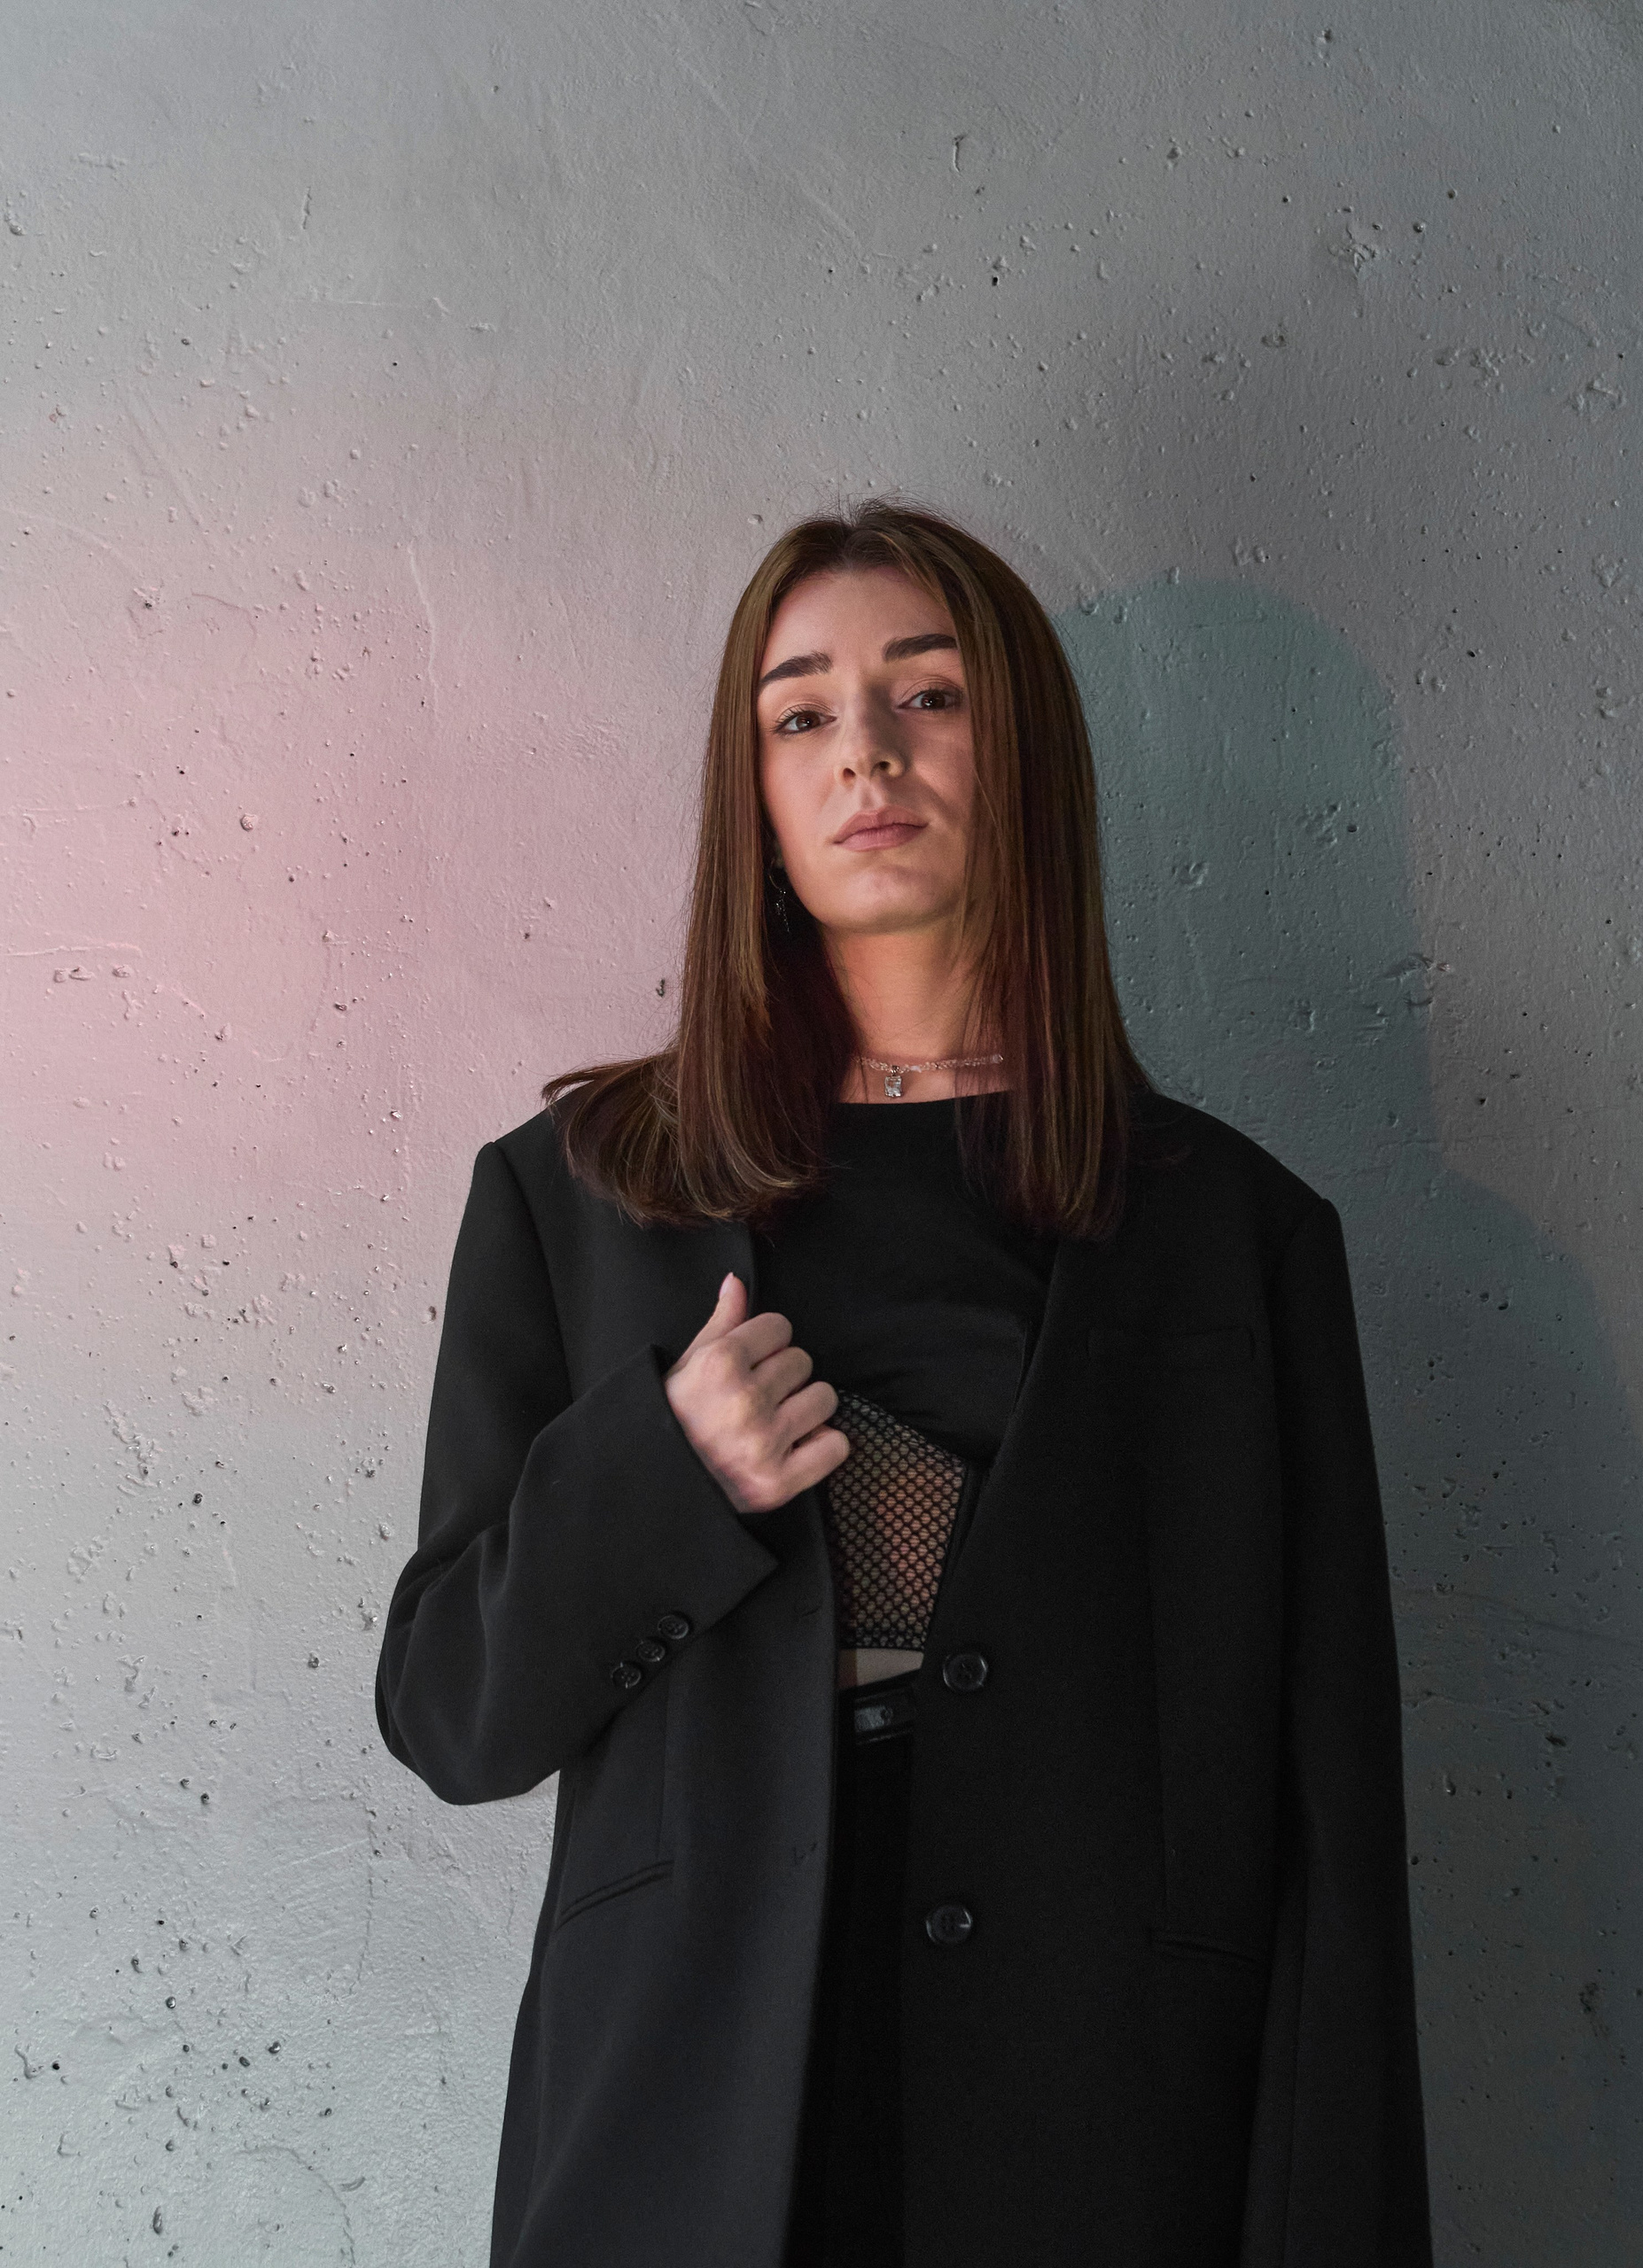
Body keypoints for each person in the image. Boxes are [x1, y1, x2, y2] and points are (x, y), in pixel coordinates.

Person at [373, 499, 1433, 2267]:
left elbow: (1333, 1813)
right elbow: (449, 1710)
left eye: (927, 694)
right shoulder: (578, 1198)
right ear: (755, 792)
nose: (864, 749)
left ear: (1025, 754)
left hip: (1109, 2114)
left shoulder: (1236, 1235)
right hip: (689, 2110)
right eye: (800, 713)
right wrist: (664, 1471)